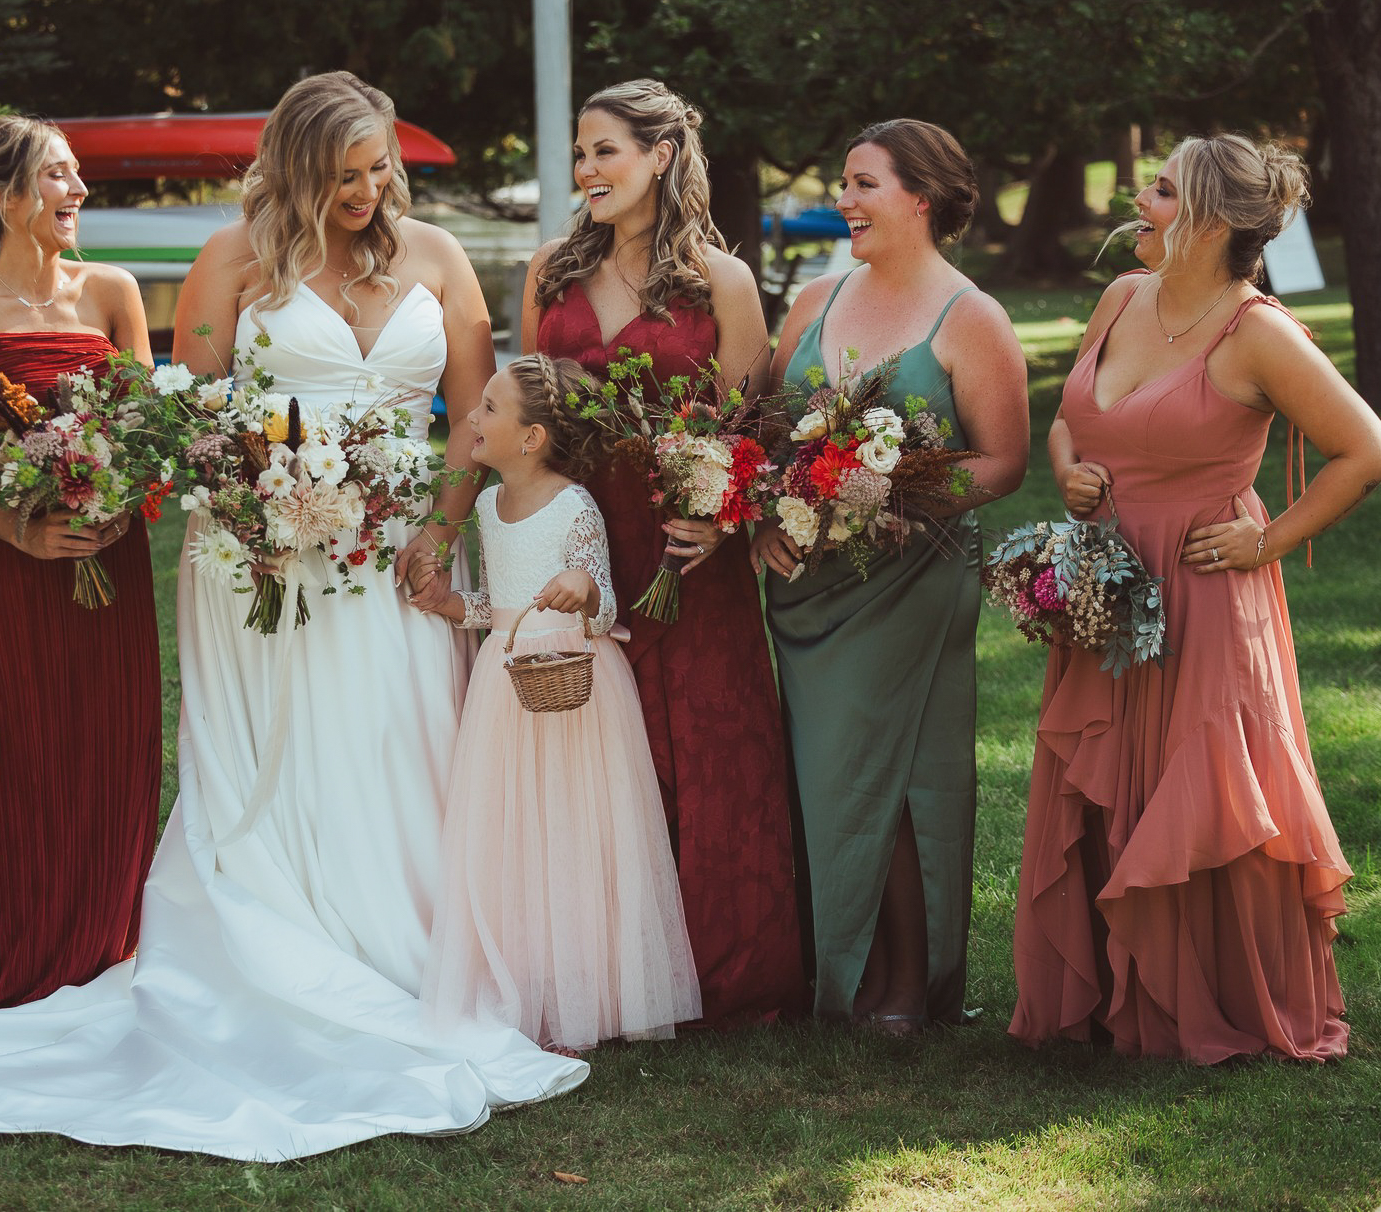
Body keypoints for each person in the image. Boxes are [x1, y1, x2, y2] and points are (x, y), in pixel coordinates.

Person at [0, 72, 584, 1161]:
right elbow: (192, 415)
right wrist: (263, 503)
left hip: (394, 553)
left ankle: (406, 954)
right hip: (260, 552)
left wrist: (441, 532)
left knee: (400, 748)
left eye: (378, 169)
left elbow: (473, 416)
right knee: (282, 762)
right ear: (300, 167)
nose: (367, 189)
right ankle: (272, 942)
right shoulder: (230, 263)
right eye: (345, 173)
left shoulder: (437, 260)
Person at [1010, 135, 1381, 1062]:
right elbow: (1068, 417)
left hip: (1205, 592)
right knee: (1108, 782)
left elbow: (1369, 450)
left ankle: (1213, 998)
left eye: (1160, 189)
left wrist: (1267, 539)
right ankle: (1114, 994)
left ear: (1214, 220)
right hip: (1109, 588)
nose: (1137, 200)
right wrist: (1072, 474)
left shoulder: (1256, 331)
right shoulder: (1119, 298)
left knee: (1202, 788)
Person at [525, 79, 808, 1024]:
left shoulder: (722, 283)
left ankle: (725, 971)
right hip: (579, 536)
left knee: (711, 744)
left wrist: (724, 515)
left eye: (605, 150)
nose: (587, 170)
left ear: (660, 156)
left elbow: (750, 426)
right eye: (580, 153)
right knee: (593, 747)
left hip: (685, 549)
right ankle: (604, 967)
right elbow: (532, 416)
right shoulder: (550, 275)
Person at [753, 119, 1029, 1032]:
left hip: (911, 575)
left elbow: (1002, 463)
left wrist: (887, 490)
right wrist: (766, 518)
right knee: (819, 769)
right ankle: (829, 965)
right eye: (842, 181)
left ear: (920, 198)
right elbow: (757, 430)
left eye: (863, 183)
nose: (844, 199)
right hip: (805, 583)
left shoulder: (970, 317)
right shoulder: (814, 301)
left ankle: (905, 984)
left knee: (894, 771)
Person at [0, 117, 161, 1008]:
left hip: (112, 563)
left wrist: (117, 493)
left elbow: (147, 424)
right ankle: (21, 956)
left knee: (114, 756)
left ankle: (109, 947)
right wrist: (24, 530)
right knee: (30, 764)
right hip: (22, 571)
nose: (79, 192)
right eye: (59, 175)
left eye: (77, 174)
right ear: (4, 196)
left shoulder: (113, 291)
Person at [416, 355, 702, 1054]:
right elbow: (496, 604)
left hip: (577, 688)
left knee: (575, 829)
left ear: (532, 437)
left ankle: (590, 988)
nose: (473, 419)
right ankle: (528, 978)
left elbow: (601, 610)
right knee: (515, 833)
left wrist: (583, 582)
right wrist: (453, 604)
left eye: (488, 408)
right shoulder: (485, 505)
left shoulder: (574, 505)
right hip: (506, 683)